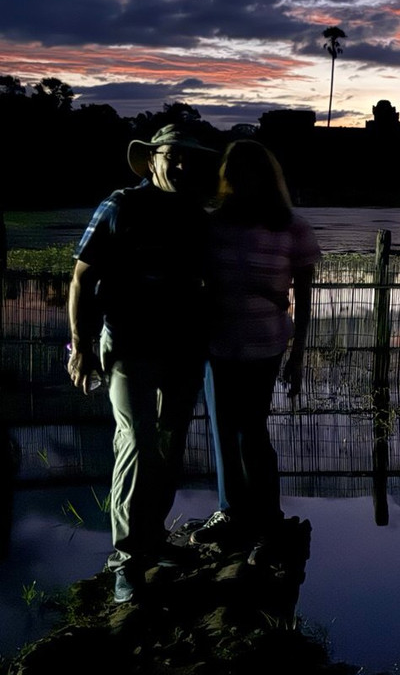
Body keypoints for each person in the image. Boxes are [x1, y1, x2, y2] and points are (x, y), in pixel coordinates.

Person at [67, 123, 218, 604]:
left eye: (189, 159)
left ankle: (153, 539)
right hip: (129, 344)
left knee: (171, 441)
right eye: (173, 156)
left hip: (184, 347)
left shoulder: (196, 214)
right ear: (152, 159)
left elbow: (207, 281)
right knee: (136, 440)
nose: (181, 165)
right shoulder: (121, 206)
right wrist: (82, 345)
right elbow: (80, 279)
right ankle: (127, 557)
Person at [188, 140, 320, 565]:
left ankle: (267, 522)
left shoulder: (292, 228)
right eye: (235, 172)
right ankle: (231, 514)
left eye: (252, 172)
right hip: (217, 342)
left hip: (265, 344)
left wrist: (298, 355)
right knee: (224, 430)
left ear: (267, 177)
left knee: (251, 432)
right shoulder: (213, 226)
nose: (243, 180)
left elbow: (304, 295)